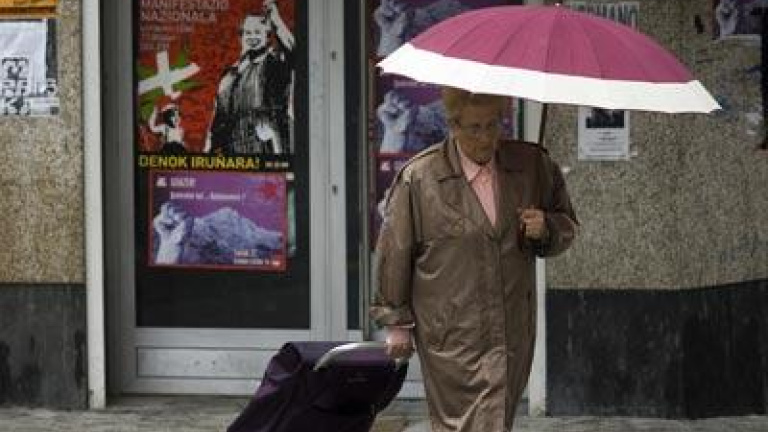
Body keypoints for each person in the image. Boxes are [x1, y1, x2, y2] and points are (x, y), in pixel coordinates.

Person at [371, 87, 578, 432]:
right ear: (453, 126)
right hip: (451, 334)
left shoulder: (531, 166)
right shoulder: (420, 178)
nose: (486, 138)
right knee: (462, 424)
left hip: (511, 328)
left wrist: (546, 228)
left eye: (493, 125)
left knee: (496, 419)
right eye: (474, 128)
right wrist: (396, 323)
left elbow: (566, 224)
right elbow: (395, 252)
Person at [207, 0, 294, 154]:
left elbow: (294, 52)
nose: (252, 37)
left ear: (268, 36)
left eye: (258, 32)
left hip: (268, 151)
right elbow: (216, 126)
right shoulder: (228, 76)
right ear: (241, 37)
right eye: (248, 33)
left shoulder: (274, 62)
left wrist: (276, 21)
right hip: (235, 154)